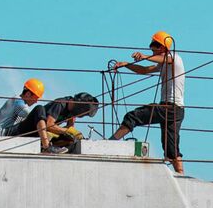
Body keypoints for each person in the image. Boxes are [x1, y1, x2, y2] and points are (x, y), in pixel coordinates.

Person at [109, 32, 186, 173]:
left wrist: (145, 56)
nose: (151, 48)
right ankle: (181, 174)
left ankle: (110, 143)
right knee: (171, 150)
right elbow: (144, 70)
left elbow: (164, 60)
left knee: (133, 116)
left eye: (154, 46)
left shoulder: (174, 58)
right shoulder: (164, 63)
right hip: (177, 110)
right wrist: (126, 65)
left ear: (162, 47)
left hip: (170, 107)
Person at [20, 91, 100, 154]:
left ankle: (56, 149)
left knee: (71, 140)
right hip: (33, 130)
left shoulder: (72, 113)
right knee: (66, 134)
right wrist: (67, 131)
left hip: (47, 134)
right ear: (79, 107)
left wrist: (76, 135)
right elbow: (48, 125)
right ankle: (47, 147)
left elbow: (70, 128)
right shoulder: (60, 104)